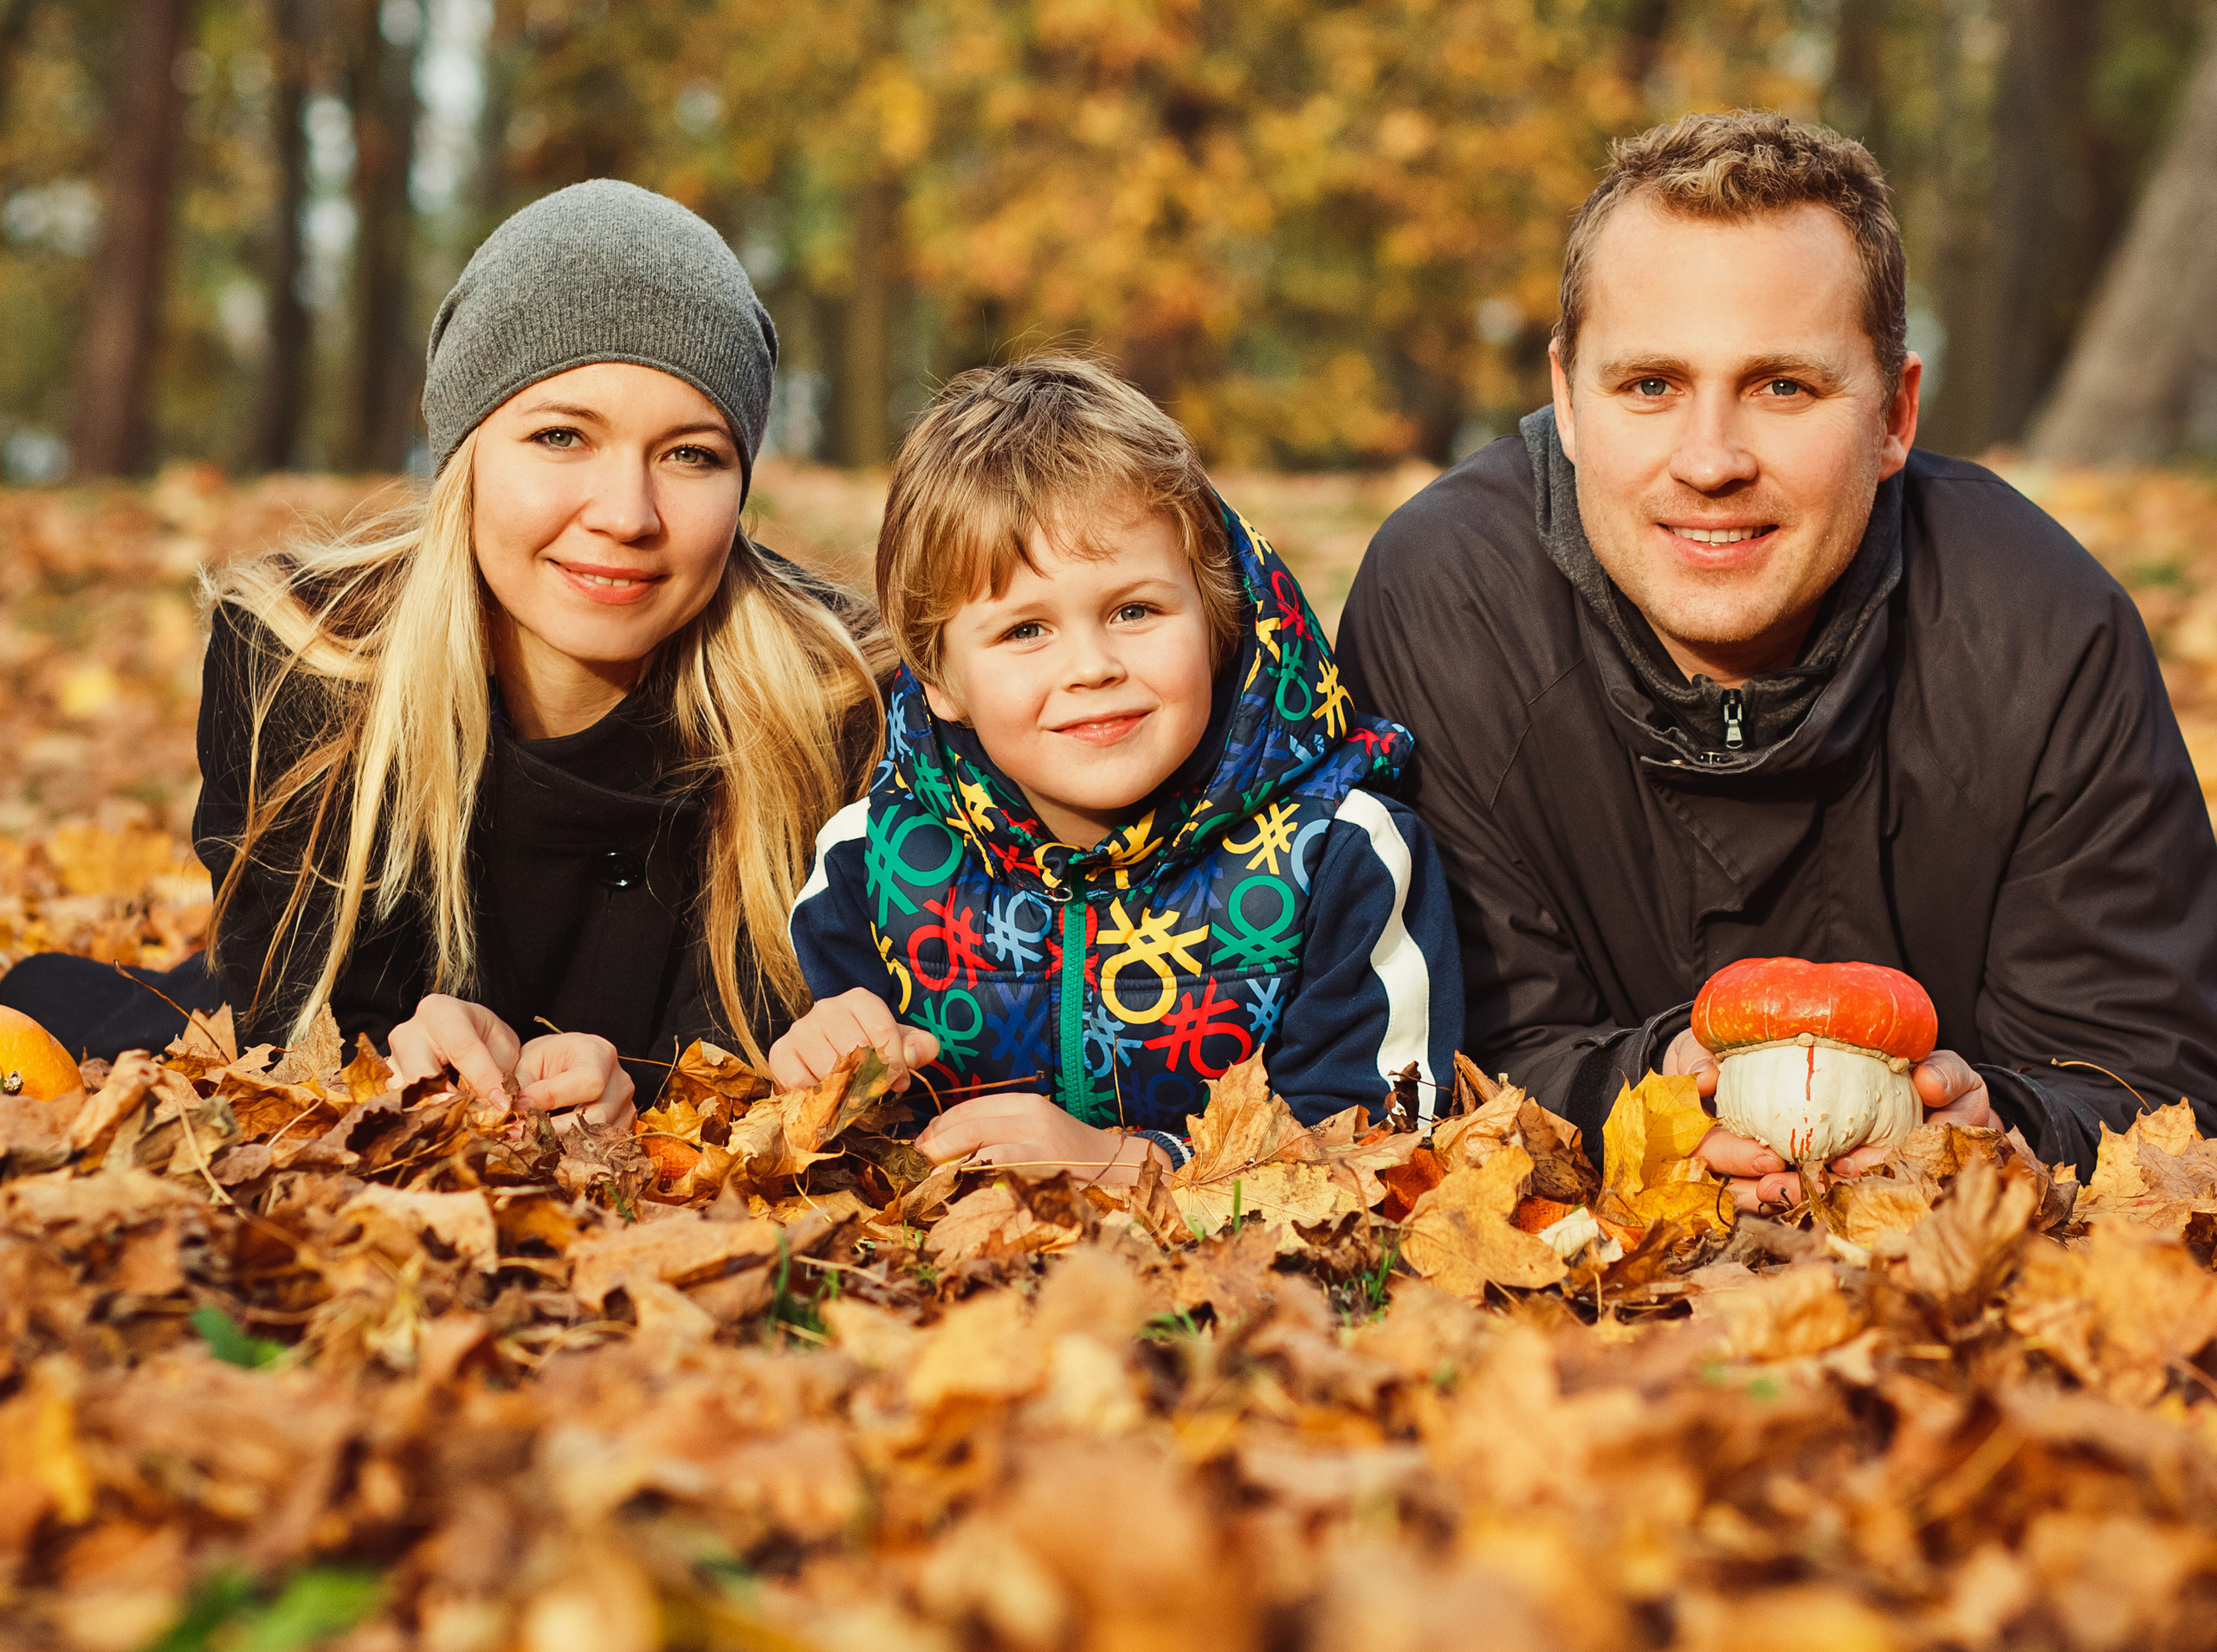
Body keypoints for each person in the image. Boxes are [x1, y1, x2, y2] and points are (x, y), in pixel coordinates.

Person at [1336, 111, 2217, 1206]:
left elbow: (2143, 1075)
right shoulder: (1446, 607)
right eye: (1650, 384)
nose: (1710, 460)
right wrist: (1643, 1097)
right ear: (1565, 399)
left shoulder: (2041, 630)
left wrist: (2005, 1126)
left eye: (1783, 386)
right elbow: (1423, 1043)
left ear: (1894, 413)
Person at [2, 182, 884, 1126]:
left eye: (692, 455)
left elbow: (771, 1043)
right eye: (560, 436)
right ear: (463, 451)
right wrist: (385, 1054)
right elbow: (286, 1013)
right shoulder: (304, 663)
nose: (627, 514)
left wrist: (650, 1086)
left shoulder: (827, 700)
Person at [773, 355, 1460, 1177]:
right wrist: (828, 1066)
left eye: (1135, 610)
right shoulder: (870, 860)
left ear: (1214, 620)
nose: (1092, 666)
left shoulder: (1342, 857)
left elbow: (1384, 1141)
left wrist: (1133, 1165)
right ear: (939, 679)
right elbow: (849, 1149)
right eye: (1025, 630)